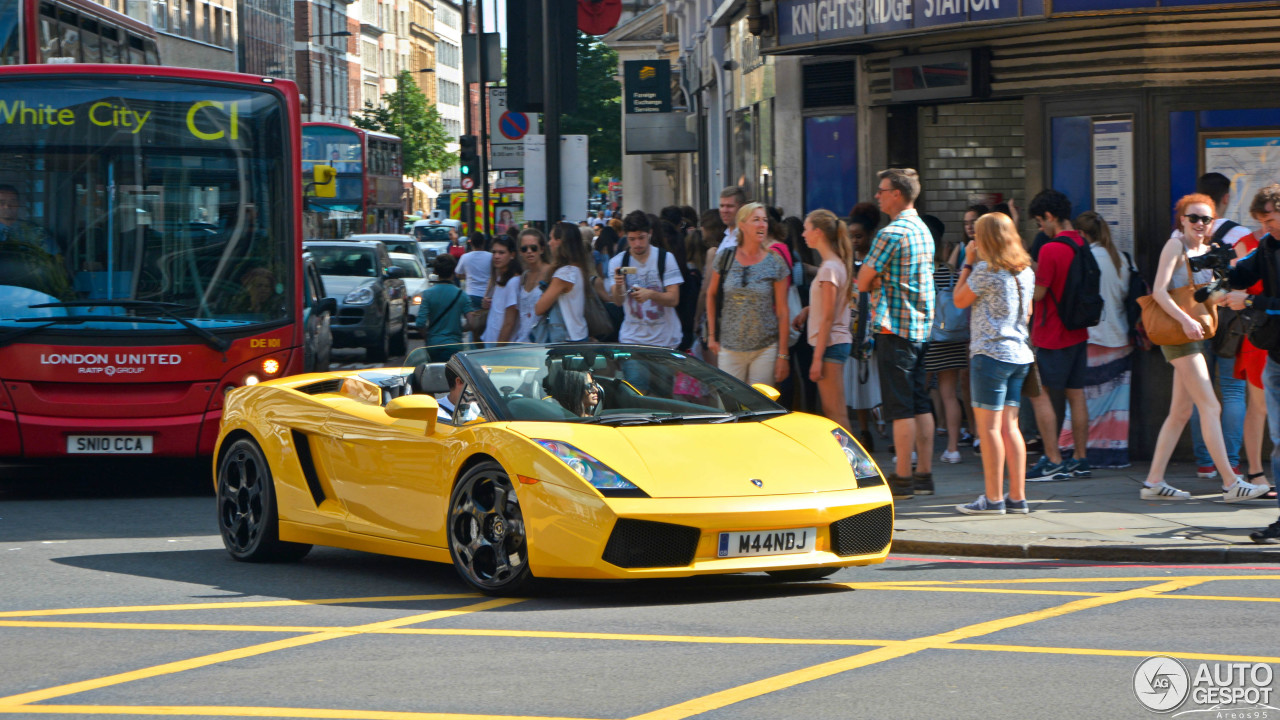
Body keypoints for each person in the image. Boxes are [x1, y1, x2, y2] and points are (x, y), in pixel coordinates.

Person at [1143, 194, 1269, 502]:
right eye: (1194, 218)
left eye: (1206, 219)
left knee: (1180, 411)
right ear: (1182, 220)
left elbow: (1208, 297)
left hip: (1194, 334)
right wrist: (1186, 321)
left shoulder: (1208, 251)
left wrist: (1229, 291)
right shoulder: (1176, 245)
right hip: (1180, 336)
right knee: (1211, 406)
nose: (1200, 224)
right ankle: (1230, 482)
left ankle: (1154, 482)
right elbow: (1159, 290)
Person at [857, 168, 935, 498]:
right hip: (922, 327)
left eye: (882, 190)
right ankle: (924, 475)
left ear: (897, 194)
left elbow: (862, 281)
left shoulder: (891, 233)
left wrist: (877, 280)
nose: (878, 195)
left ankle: (902, 477)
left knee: (900, 407)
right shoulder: (923, 229)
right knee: (921, 403)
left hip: (894, 327)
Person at [951, 212, 1036, 515]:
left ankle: (993, 498)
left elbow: (959, 300)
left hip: (990, 355)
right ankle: (1017, 497)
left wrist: (967, 264)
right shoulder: (1025, 270)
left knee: (988, 430)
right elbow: (1026, 314)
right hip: (1020, 354)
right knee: (1010, 428)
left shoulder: (985, 270)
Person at [1056, 211, 1134, 468]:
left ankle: (1071, 450)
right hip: (1121, 338)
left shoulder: (1085, 259)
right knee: (1115, 407)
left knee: (1079, 401)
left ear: (1081, 234)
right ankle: (1113, 455)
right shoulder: (1123, 259)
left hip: (1093, 338)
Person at [1024, 189, 1092, 482]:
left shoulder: (1050, 249)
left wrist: (1027, 273)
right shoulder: (1080, 242)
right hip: (1078, 331)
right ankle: (1080, 458)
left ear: (1049, 217)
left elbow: (1040, 292)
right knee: (1077, 397)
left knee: (1045, 399)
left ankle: (1052, 460)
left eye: (1040, 223)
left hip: (1051, 333)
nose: (1041, 229)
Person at [1189, 172, 1252, 482]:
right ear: (1226, 197)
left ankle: (1204, 463)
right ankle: (1231, 463)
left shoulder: (1186, 231)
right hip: (1231, 318)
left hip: (1195, 316)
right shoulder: (1240, 234)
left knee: (1198, 391)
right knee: (1232, 390)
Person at [1226, 185, 1280, 541]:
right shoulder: (1268, 245)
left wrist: (1249, 302)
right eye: (1262, 221)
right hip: (1276, 355)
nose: (1267, 226)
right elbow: (1243, 272)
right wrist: (1219, 275)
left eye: (1272, 219)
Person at [706, 202, 790, 386]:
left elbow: (783, 311)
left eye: (765, 220)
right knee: (732, 407)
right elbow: (711, 295)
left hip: (765, 348)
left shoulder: (775, 261)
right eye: (756, 220)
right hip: (729, 347)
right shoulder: (725, 256)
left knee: (762, 408)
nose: (762, 225)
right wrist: (712, 335)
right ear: (742, 225)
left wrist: (783, 354)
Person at [791, 209, 853, 432]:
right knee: (834, 412)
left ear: (818, 232)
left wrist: (816, 360)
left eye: (806, 229)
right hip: (833, 343)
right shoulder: (834, 265)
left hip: (829, 345)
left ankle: (851, 463)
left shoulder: (829, 269)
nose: (804, 235)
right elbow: (830, 307)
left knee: (835, 413)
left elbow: (828, 316)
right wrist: (808, 310)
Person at [921, 214, 969, 465]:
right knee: (950, 394)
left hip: (930, 339)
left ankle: (917, 449)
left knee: (919, 392)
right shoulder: (949, 272)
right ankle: (953, 449)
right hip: (952, 337)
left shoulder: (922, 273)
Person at [610, 211, 684, 349]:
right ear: (626, 237)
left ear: (649, 233)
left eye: (641, 238)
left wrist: (650, 294)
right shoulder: (618, 261)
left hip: (664, 341)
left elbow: (674, 299)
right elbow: (618, 302)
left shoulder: (665, 258)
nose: (637, 243)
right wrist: (619, 285)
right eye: (632, 239)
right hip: (632, 340)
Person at [843, 204, 883, 450]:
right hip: (852, 328)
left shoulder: (876, 261)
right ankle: (865, 431)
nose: (854, 241)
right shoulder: (847, 262)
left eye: (858, 236)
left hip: (874, 327)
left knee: (875, 378)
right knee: (857, 384)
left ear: (869, 236)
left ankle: (880, 416)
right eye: (851, 237)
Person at [534, 221, 591, 342]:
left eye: (551, 238)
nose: (549, 243)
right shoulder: (578, 269)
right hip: (580, 334)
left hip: (567, 339)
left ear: (560, 242)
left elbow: (539, 308)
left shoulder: (564, 274)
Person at [416, 254, 471, 362]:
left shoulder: (427, 294)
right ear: (454, 271)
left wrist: (429, 337)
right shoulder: (461, 295)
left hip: (433, 345)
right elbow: (472, 323)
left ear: (435, 272)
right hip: (454, 344)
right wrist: (459, 329)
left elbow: (420, 323)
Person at [480, 235, 522, 346]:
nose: (496, 256)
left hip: (501, 348)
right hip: (490, 340)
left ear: (512, 255)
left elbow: (509, 322)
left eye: (501, 253)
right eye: (494, 252)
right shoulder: (500, 278)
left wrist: (499, 348)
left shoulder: (513, 282)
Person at [515, 228, 548, 343]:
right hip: (522, 340)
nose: (529, 251)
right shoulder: (524, 276)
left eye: (533, 248)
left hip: (542, 341)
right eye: (524, 249)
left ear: (542, 249)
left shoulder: (550, 273)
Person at [455, 232, 492, 312]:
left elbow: (458, 274)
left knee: (473, 321)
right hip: (487, 295)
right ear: (483, 242)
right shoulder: (490, 257)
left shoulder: (465, 257)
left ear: (471, 243)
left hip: (471, 293)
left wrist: (467, 276)